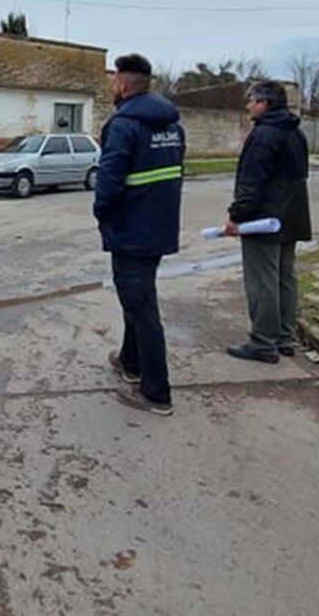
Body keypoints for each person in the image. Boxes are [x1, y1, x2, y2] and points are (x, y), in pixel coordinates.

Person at [93, 54, 185, 416]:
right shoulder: (173, 125)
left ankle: (156, 392)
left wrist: (101, 212)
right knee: (137, 297)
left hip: (131, 230)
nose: (114, 85)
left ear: (124, 84)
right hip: (159, 226)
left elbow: (109, 180)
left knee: (142, 305)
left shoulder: (122, 125)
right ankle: (130, 362)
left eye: (115, 79)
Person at [223, 81, 313, 364]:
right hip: (292, 216)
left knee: (262, 281)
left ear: (264, 103)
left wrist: (236, 217)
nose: (248, 105)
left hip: (263, 220)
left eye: (251, 100)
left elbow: (252, 182)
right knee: (285, 278)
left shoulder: (263, 135)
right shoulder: (294, 132)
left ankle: (262, 342)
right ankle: (285, 338)